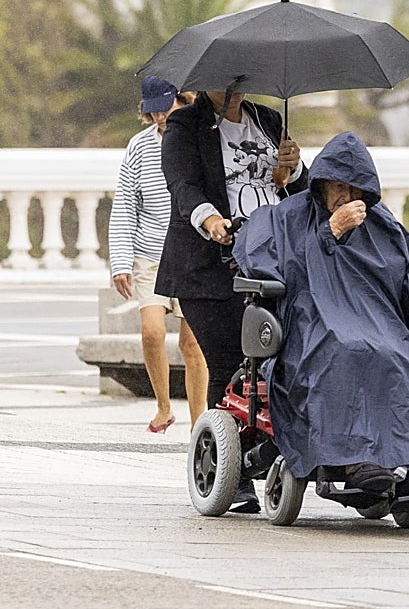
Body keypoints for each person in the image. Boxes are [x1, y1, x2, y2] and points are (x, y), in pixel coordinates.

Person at [233, 132, 409, 496]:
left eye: (355, 188)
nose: (346, 197)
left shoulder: (383, 225)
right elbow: (277, 271)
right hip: (312, 318)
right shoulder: (287, 217)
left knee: (408, 360)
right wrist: (329, 234)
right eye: (338, 186)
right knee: (348, 352)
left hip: (377, 319)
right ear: (321, 182)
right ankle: (355, 460)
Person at [156, 87, 307, 513]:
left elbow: (301, 191)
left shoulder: (269, 121)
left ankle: (276, 447)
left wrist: (292, 172)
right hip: (208, 265)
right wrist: (211, 219)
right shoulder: (185, 124)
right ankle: (233, 476)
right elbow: (182, 187)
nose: (234, 84)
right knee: (228, 366)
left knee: (278, 363)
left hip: (269, 261)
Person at [109, 77, 208, 433]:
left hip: (193, 252)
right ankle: (164, 407)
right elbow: (125, 207)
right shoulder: (138, 147)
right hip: (150, 254)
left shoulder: (200, 138)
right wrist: (120, 260)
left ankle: (200, 424)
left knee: (191, 342)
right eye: (152, 112)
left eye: (165, 108)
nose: (160, 117)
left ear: (182, 100)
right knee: (151, 331)